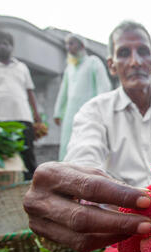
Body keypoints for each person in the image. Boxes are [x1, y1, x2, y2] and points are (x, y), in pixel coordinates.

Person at [23, 21, 151, 252]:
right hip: (120, 235)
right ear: (111, 65)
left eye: (143, 52)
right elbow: (83, 158)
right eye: (124, 53)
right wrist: (77, 186)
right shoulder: (94, 111)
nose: (135, 61)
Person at [0, 29, 42, 180]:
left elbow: (30, 92)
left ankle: (31, 189)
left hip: (22, 117)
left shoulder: (21, 67)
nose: (2, 46)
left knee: (28, 158)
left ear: (11, 47)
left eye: (6, 43)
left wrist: (37, 116)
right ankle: (1, 192)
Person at [53, 33, 112, 161]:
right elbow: (63, 91)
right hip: (70, 114)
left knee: (89, 143)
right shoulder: (69, 68)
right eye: (67, 44)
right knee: (67, 143)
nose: (68, 47)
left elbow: (103, 86)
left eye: (71, 43)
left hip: (90, 113)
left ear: (81, 45)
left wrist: (103, 109)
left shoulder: (93, 62)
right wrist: (58, 112)